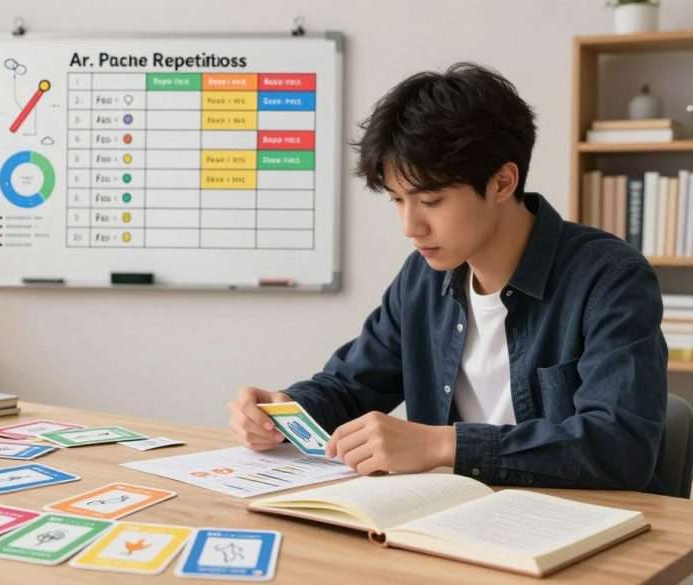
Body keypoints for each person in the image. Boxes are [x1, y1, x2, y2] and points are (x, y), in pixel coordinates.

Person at [228, 63, 668, 492]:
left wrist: (442, 445)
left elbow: (621, 447)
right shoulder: (423, 277)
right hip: (455, 519)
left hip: (582, 529)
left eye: (431, 200)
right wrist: (286, 409)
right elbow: (351, 385)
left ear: (502, 182)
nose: (410, 226)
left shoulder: (609, 278)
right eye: (397, 200)